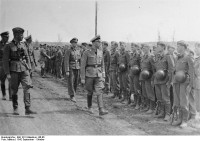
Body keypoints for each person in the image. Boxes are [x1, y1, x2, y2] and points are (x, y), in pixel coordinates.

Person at [3, 27, 36, 115]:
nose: (22, 36)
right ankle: (15, 107)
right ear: (15, 35)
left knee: (27, 87)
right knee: (14, 90)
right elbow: (5, 60)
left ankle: (27, 108)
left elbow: (27, 56)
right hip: (13, 70)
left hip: (24, 69)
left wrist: (29, 68)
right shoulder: (8, 46)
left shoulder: (23, 45)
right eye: (20, 35)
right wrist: (7, 73)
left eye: (22, 34)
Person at [80, 35, 108, 115]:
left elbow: (102, 65)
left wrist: (103, 75)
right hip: (89, 75)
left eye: (100, 42)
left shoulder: (100, 52)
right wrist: (82, 77)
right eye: (98, 42)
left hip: (98, 75)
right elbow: (82, 66)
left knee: (99, 91)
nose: (100, 43)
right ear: (94, 42)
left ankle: (101, 109)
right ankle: (90, 107)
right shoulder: (86, 52)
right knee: (90, 91)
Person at [171, 40, 196, 128]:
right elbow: (175, 70)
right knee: (177, 101)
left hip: (185, 82)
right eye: (177, 46)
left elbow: (192, 71)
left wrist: (191, 85)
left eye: (178, 46)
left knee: (184, 102)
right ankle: (179, 119)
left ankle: (184, 120)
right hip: (176, 82)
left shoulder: (188, 57)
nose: (177, 47)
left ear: (183, 47)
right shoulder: (178, 57)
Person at [153, 42, 174, 120]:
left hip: (165, 80)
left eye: (158, 46)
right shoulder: (157, 56)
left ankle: (168, 114)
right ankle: (162, 112)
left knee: (166, 98)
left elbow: (171, 70)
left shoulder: (168, 56)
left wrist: (170, 81)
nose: (157, 48)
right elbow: (155, 68)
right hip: (157, 80)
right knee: (159, 97)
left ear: (163, 47)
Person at [139, 44, 156, 113]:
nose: (144, 50)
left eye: (145, 48)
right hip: (143, 76)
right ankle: (148, 106)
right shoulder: (143, 57)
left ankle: (152, 108)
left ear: (149, 49)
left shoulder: (151, 57)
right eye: (143, 48)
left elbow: (154, 69)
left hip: (149, 77)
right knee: (145, 92)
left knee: (150, 93)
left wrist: (152, 78)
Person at [64, 38, 81, 102]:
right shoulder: (68, 51)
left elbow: (80, 60)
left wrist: (81, 68)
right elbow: (66, 61)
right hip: (71, 68)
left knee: (76, 82)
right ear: (71, 43)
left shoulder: (78, 51)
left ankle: (74, 93)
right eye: (74, 43)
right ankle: (72, 95)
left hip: (77, 68)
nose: (75, 44)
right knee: (71, 82)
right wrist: (67, 70)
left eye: (76, 43)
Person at [129, 43, 141, 109]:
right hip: (131, 73)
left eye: (133, 47)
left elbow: (141, 65)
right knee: (132, 88)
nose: (132, 48)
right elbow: (130, 64)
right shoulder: (131, 55)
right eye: (131, 47)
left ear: (136, 47)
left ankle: (138, 104)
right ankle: (135, 102)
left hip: (136, 74)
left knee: (137, 89)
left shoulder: (139, 55)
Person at [0, 31, 11, 100]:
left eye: (8, 37)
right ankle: (4, 94)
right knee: (2, 80)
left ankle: (10, 96)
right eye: (6, 37)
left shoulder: (10, 44)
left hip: (10, 65)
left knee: (11, 80)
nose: (7, 38)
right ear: (2, 37)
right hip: (1, 65)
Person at [193, 43, 200, 114]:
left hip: (198, 81)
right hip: (196, 82)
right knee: (197, 99)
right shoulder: (197, 59)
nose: (195, 50)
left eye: (196, 48)